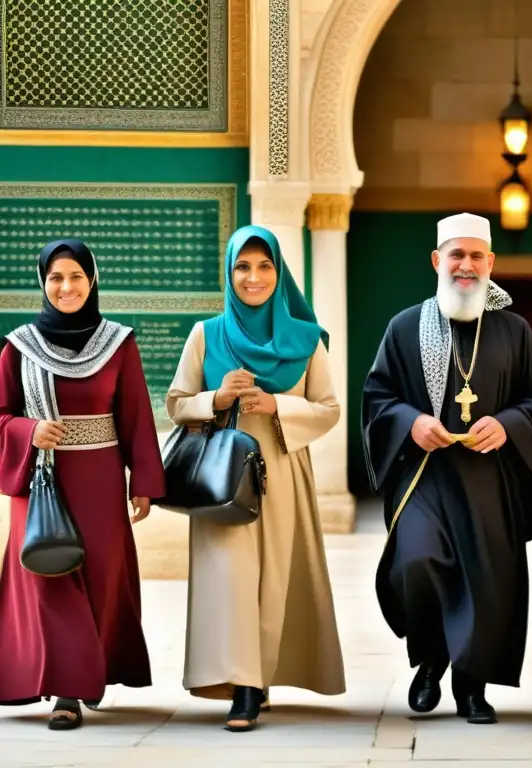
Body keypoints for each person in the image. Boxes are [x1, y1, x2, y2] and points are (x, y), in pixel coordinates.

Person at [361, 212, 532, 725]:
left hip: (489, 482)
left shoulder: (514, 331)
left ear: (490, 262)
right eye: (457, 255)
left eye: (476, 256)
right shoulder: (406, 327)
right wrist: (410, 421)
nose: (466, 266)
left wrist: (510, 424)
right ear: (437, 260)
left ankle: (471, 686)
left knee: (484, 580)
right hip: (425, 477)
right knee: (417, 563)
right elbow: (378, 396)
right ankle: (430, 660)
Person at [165, 225, 345, 732]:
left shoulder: (307, 340)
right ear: (229, 273)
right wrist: (217, 399)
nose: (253, 277)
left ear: (279, 272)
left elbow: (329, 409)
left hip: (283, 468)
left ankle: (262, 675)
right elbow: (177, 403)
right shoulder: (207, 334)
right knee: (232, 577)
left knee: (276, 578)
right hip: (223, 474)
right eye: (242, 266)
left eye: (264, 266)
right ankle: (242, 685)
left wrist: (276, 404)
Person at [0, 239, 165, 730]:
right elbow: (1, 413)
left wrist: (144, 482)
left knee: (100, 578)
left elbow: (135, 414)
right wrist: (29, 431)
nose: (66, 286)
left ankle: (91, 671)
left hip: (99, 477)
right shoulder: (18, 346)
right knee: (50, 576)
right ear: (42, 283)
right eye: (55, 278)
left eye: (75, 276)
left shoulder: (118, 342)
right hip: (42, 479)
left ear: (92, 280)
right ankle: (68, 693)